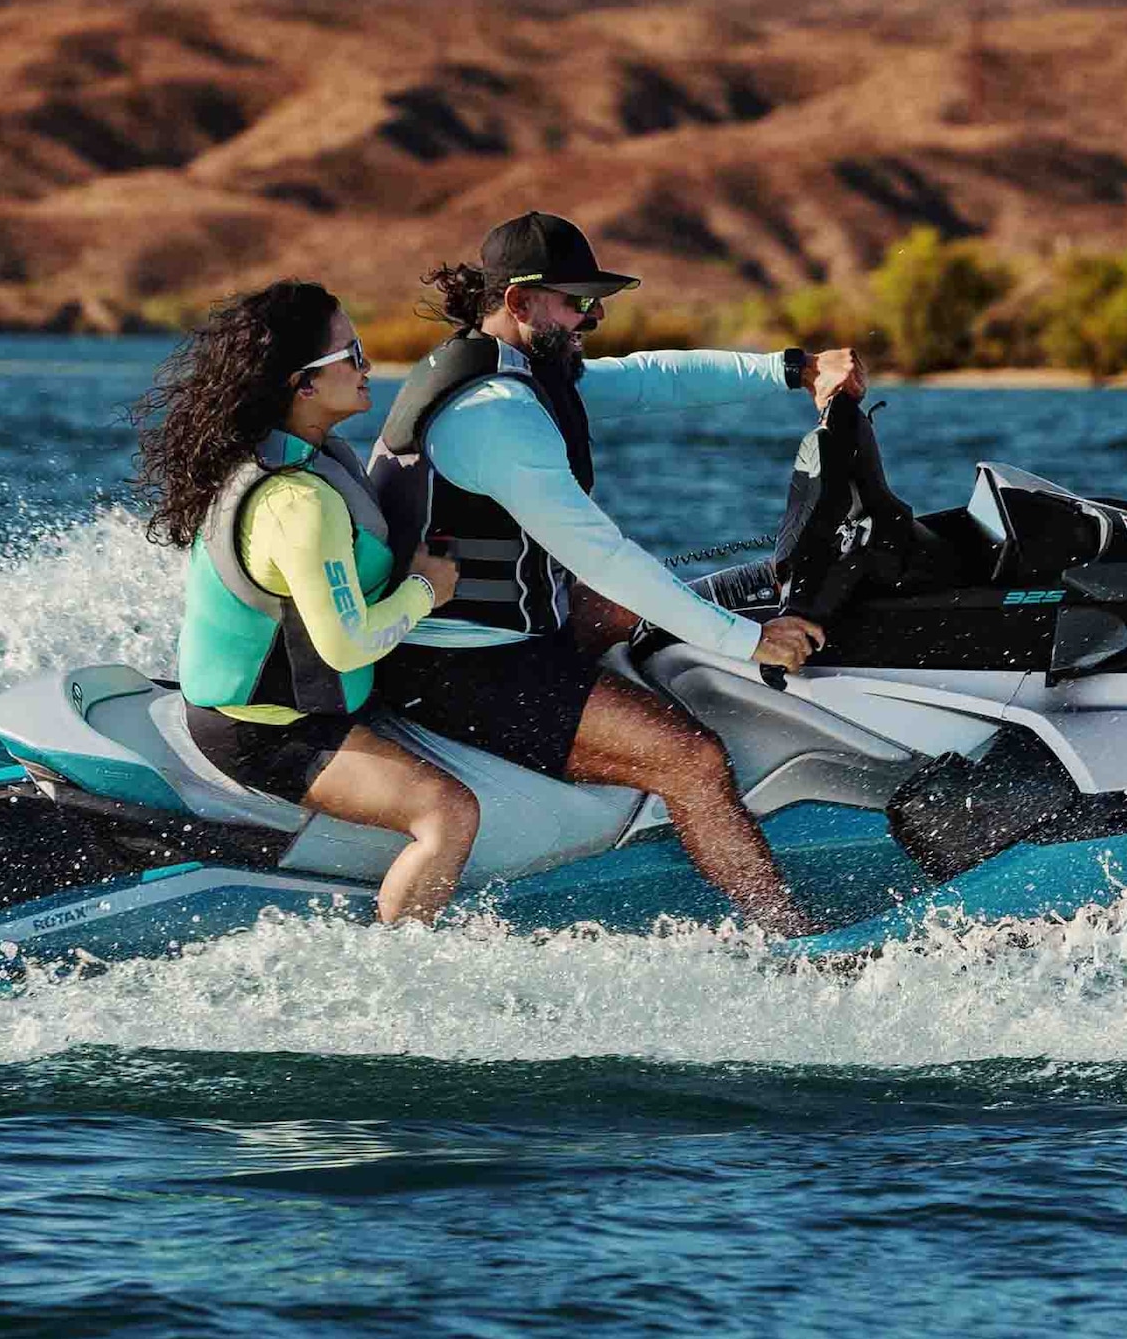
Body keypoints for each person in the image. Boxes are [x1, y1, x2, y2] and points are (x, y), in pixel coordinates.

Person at [366, 211, 858, 935]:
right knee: (690, 758)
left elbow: (650, 378)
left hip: (500, 629)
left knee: (649, 607)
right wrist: (743, 643)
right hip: (456, 665)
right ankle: (790, 937)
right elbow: (602, 553)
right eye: (577, 301)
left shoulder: (519, 367)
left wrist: (795, 368)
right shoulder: (494, 414)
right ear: (519, 302)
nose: (593, 315)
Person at [137, 282, 481, 926]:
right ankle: (404, 973)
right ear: (303, 385)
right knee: (448, 813)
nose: (368, 364)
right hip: (265, 732)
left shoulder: (302, 459)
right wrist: (426, 590)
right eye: (351, 353)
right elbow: (344, 644)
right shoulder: (299, 500)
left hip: (289, 707)